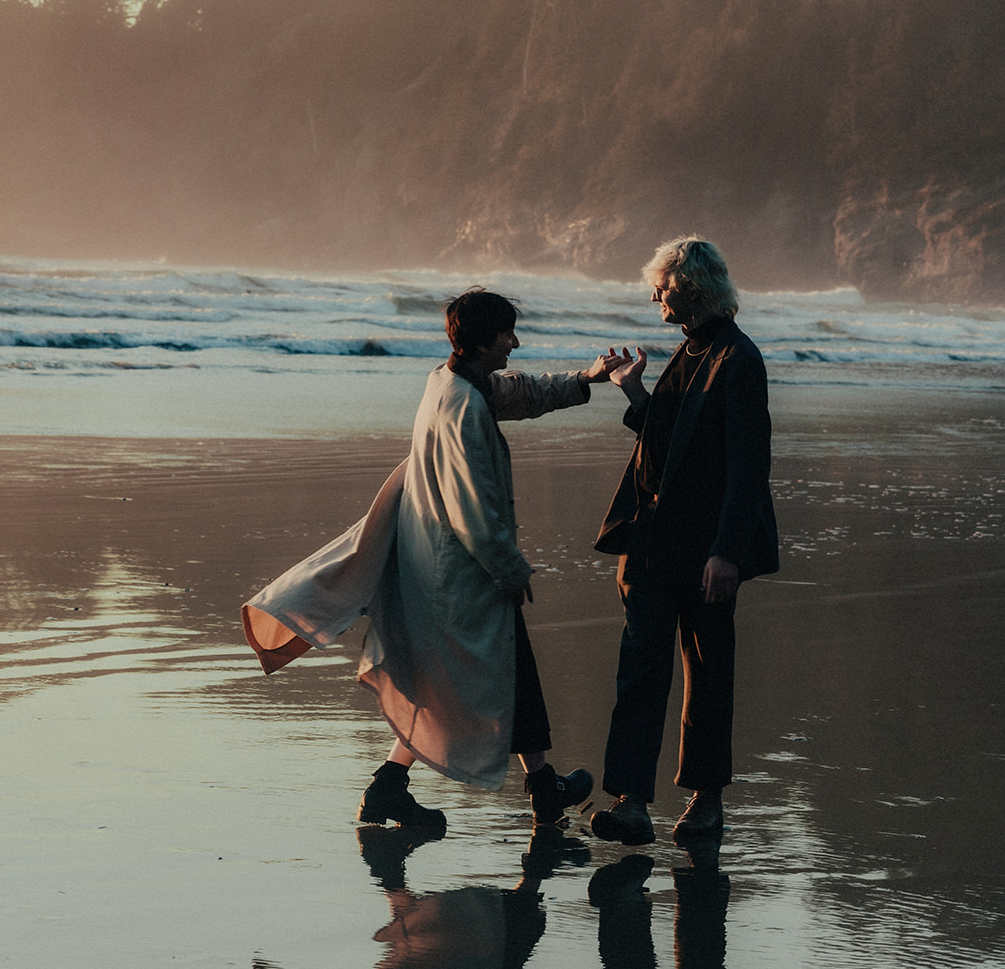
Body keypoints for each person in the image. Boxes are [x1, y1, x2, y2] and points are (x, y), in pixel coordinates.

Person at [243, 288, 623, 830]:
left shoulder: (451, 382)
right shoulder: (463, 406)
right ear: (480, 340)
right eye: (507, 334)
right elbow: (474, 506)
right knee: (490, 674)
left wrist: (585, 380)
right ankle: (532, 787)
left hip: (437, 560)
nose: (514, 343)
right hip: (460, 568)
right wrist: (510, 569)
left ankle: (493, 786)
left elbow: (517, 393)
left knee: (456, 677)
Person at [589, 237, 778, 847]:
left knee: (707, 671)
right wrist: (635, 392)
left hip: (704, 552)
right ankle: (630, 803)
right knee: (639, 673)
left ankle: (705, 800)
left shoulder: (737, 358)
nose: (653, 296)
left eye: (662, 287)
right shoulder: (690, 351)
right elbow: (668, 447)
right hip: (652, 543)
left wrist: (727, 551)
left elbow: (748, 467)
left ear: (690, 287)